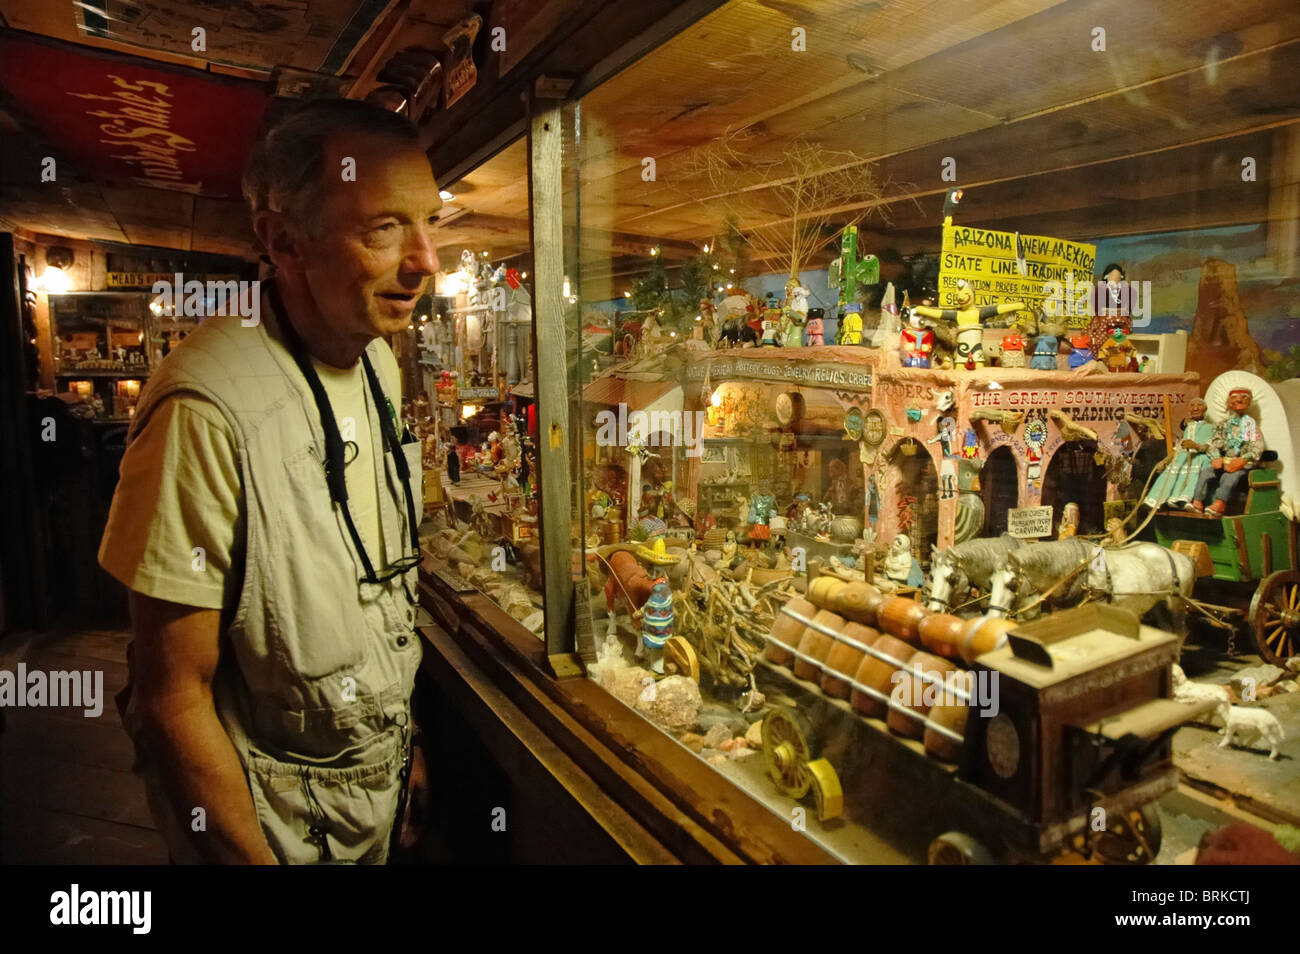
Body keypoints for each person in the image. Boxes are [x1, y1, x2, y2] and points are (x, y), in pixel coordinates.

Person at [98, 99, 442, 864]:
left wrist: (401, 742)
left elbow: (377, 593)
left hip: (366, 800)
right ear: (281, 239)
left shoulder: (377, 360)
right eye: (382, 230)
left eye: (430, 221)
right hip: (270, 829)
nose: (425, 261)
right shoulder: (207, 409)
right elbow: (169, 701)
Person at [1190, 388, 1263, 516]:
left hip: (1243, 465)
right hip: (1226, 461)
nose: (1239, 400)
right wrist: (1216, 457)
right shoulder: (1223, 425)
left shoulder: (1251, 426)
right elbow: (1214, 443)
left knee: (1230, 476)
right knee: (1206, 472)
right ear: (1229, 402)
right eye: (1234, 397)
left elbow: (1257, 447)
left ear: (1249, 402)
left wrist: (1242, 459)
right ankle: (1197, 501)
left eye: (1244, 397)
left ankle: (1220, 503)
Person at [1145, 398, 1213, 510]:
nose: (1195, 408)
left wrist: (1196, 446)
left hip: (1199, 457)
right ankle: (1156, 500)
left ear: (1205, 409)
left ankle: (1182, 499)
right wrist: (1164, 461)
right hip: (1182, 457)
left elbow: (1212, 446)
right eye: (1192, 405)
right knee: (1169, 472)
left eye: (1199, 405)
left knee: (1194, 471)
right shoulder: (1187, 428)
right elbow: (1178, 447)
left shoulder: (1211, 427)